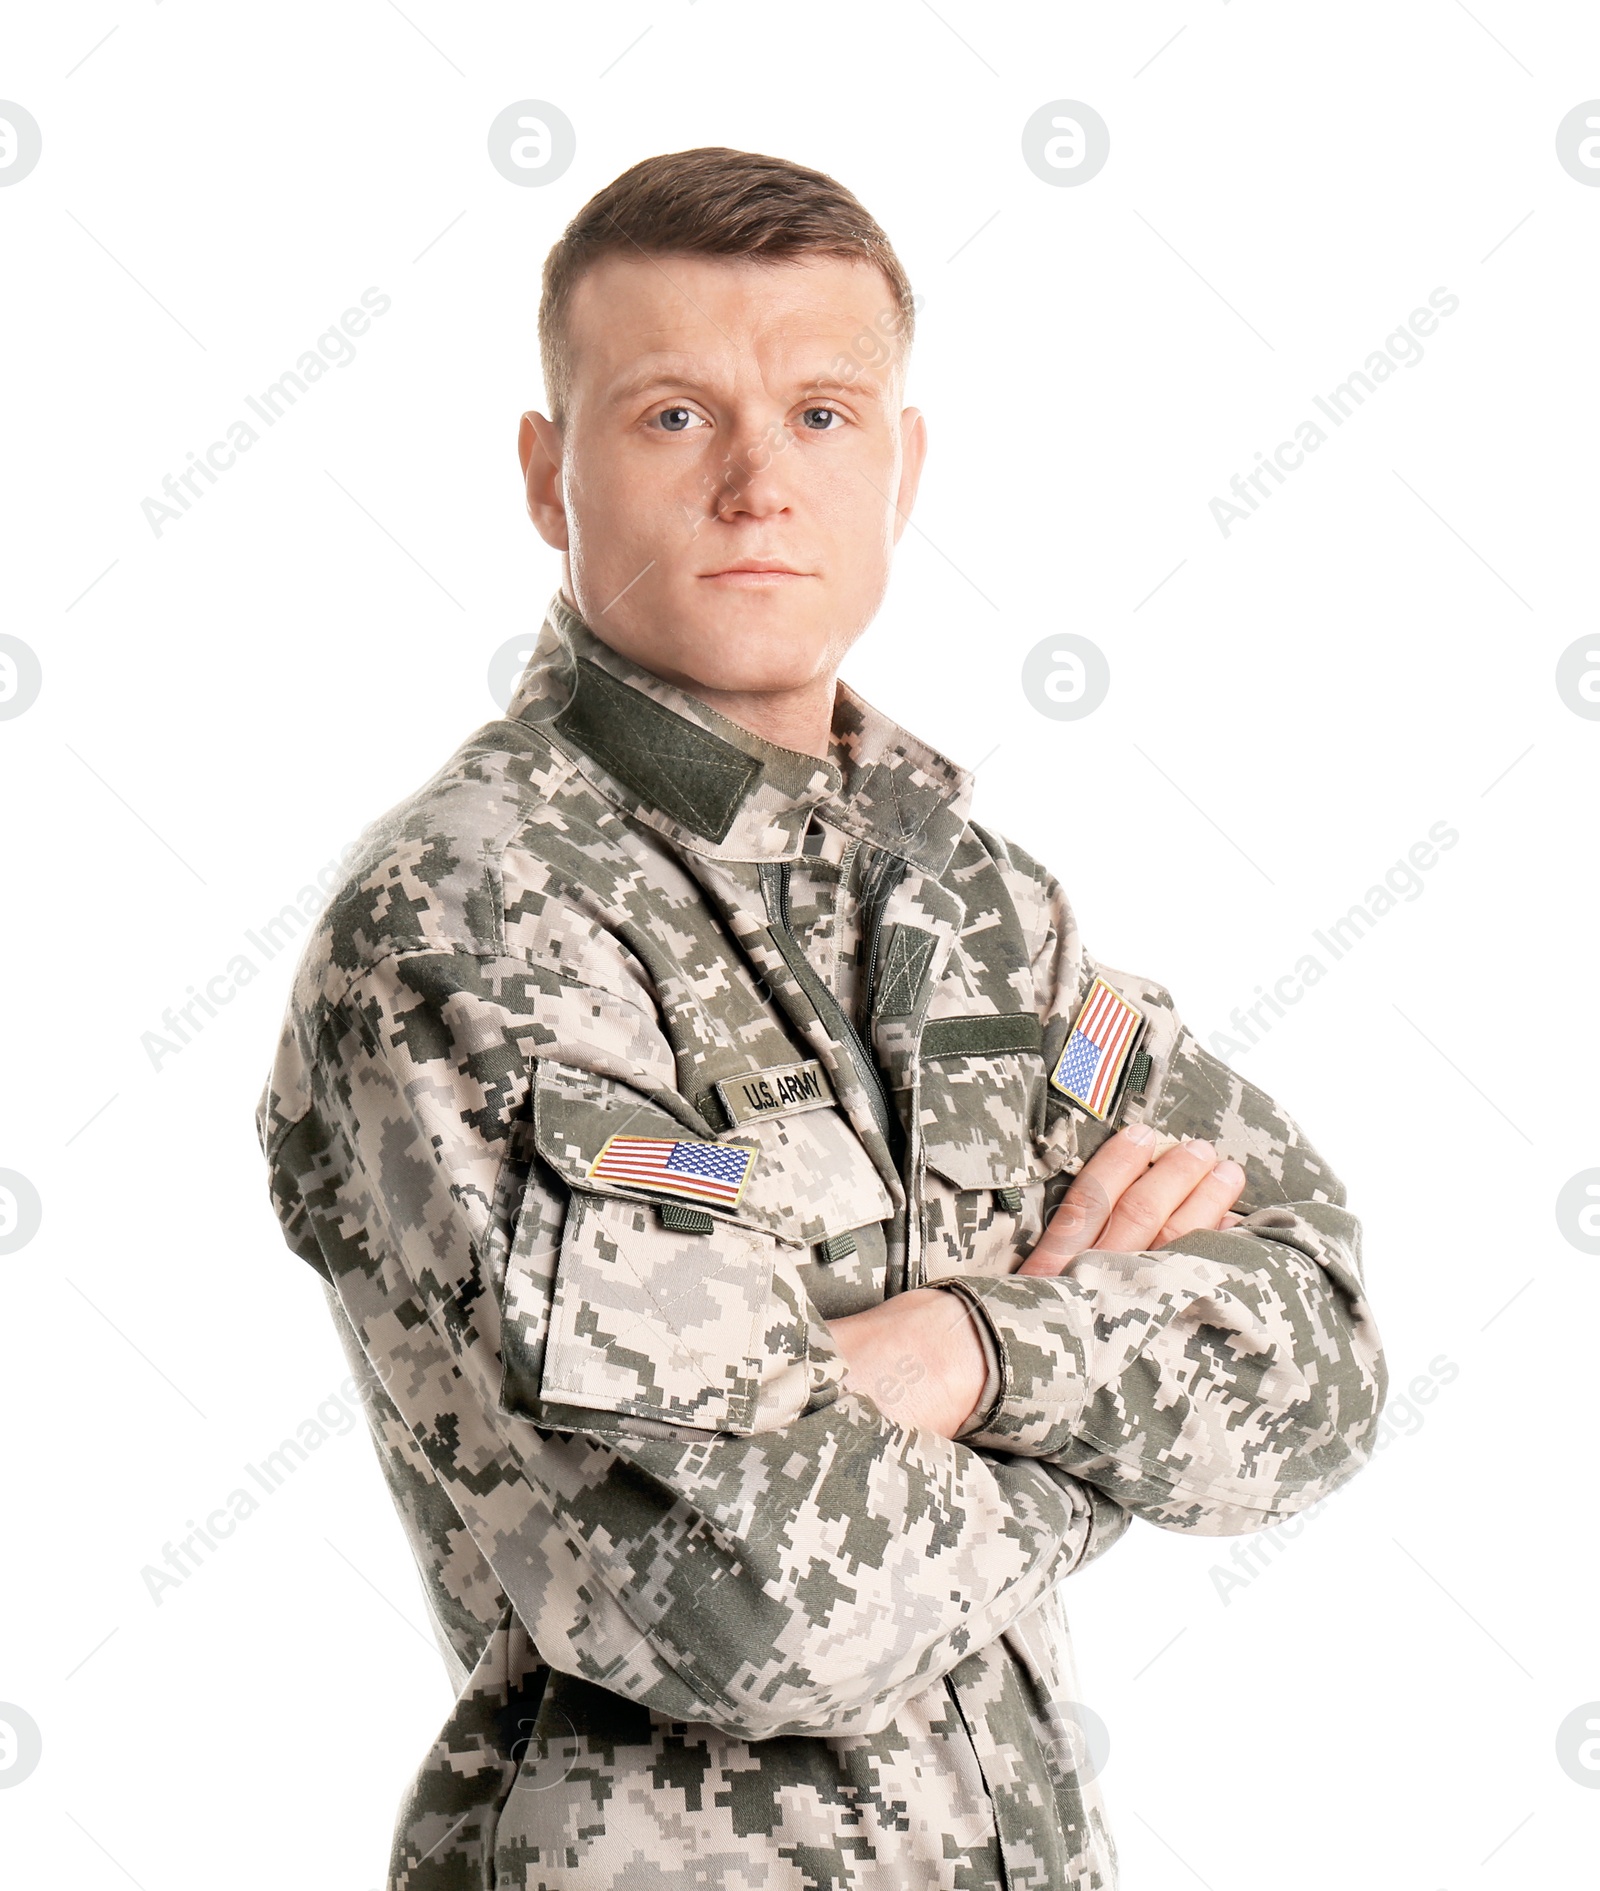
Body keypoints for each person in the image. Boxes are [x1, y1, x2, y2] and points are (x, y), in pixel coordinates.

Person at [257, 147, 1387, 1890]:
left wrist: (969, 1352)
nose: (759, 484)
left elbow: (1318, 1343)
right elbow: (750, 1599)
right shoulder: (475, 921)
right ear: (549, 478)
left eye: (824, 416)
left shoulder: (973, 905)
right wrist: (1110, 1436)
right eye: (672, 419)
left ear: (904, 466)